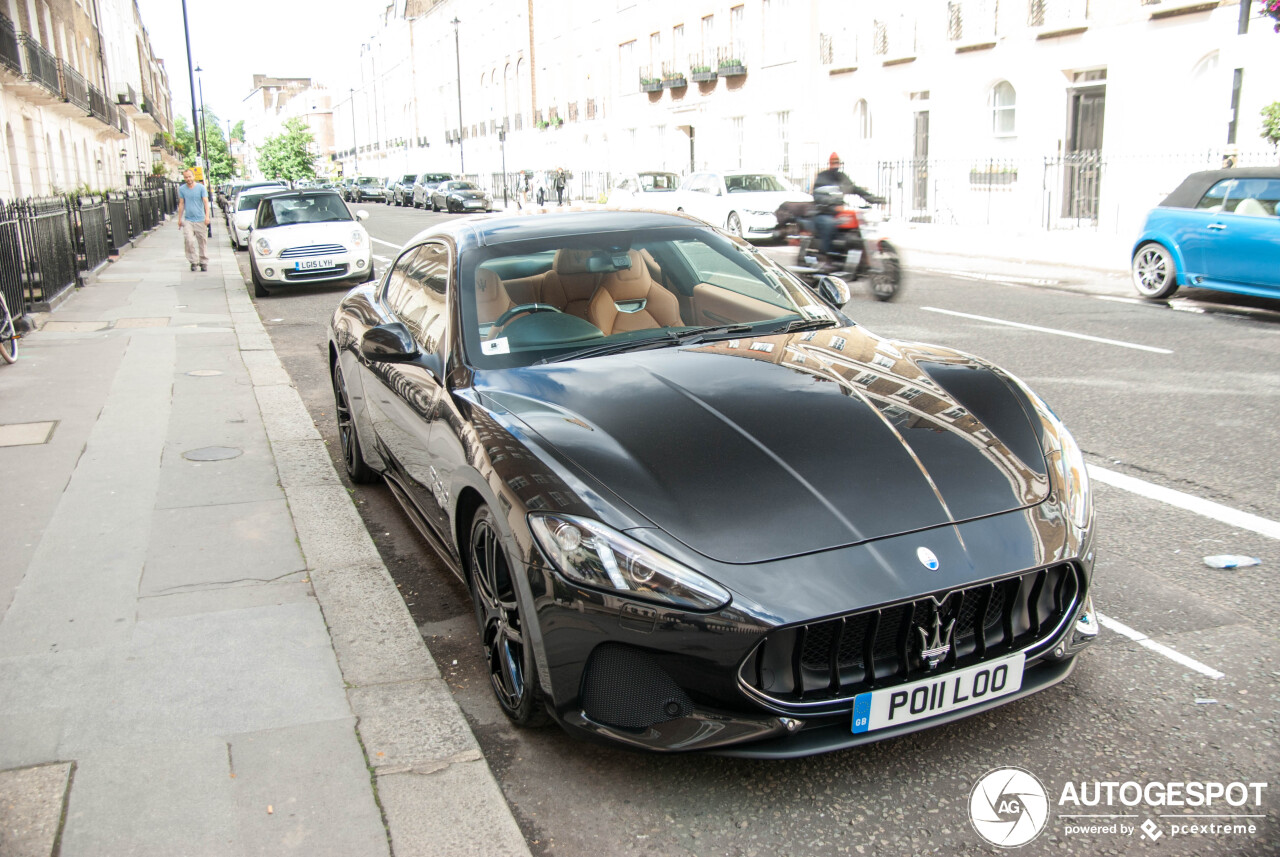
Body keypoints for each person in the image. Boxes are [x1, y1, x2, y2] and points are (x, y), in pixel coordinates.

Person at [176, 169, 211, 272]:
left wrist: (207, 216)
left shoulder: (201, 188)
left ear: (193, 176)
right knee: (188, 240)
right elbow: (181, 204)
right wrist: (179, 218)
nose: (188, 179)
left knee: (202, 242)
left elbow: (205, 202)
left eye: (189, 177)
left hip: (200, 219)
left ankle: (203, 262)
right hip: (188, 220)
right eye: (186, 177)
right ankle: (193, 261)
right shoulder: (182, 189)